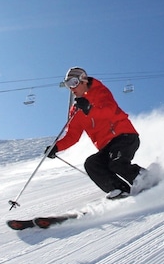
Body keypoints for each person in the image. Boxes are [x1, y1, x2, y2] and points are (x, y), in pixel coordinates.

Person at [45, 67, 144, 199]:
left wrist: (89, 108)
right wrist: (56, 147)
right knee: (92, 164)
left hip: (123, 136)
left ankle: (146, 179)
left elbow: (110, 110)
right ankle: (120, 191)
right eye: (68, 84)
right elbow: (73, 136)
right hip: (105, 146)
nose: (71, 88)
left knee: (117, 163)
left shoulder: (99, 91)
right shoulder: (76, 110)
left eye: (74, 83)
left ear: (83, 80)